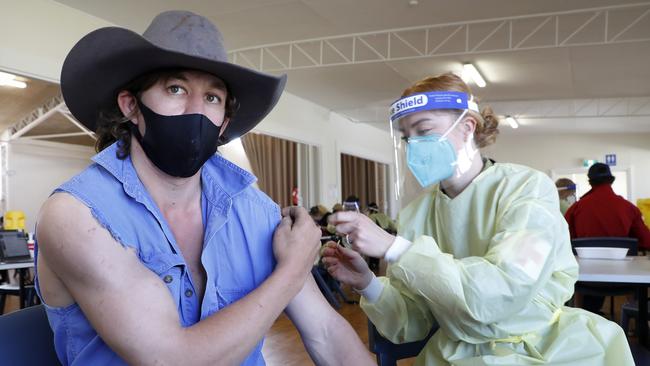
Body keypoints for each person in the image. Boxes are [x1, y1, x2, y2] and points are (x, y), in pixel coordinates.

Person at [34, 11, 372, 366]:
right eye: (175, 89)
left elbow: (327, 333)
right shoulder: (76, 216)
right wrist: (294, 269)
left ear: (225, 121)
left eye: (212, 97)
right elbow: (172, 360)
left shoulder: (253, 211)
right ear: (131, 105)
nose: (195, 110)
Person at [322, 73, 633, 365]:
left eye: (424, 131)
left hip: (545, 349)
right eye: (406, 137)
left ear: (467, 126)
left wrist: (396, 249)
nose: (413, 146)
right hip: (454, 354)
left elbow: (503, 289)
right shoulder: (416, 215)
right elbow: (415, 321)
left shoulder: (528, 191)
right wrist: (367, 283)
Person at [565, 162, 650, 314]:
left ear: (590, 182)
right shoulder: (628, 208)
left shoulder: (575, 209)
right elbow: (646, 241)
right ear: (611, 181)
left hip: (586, 281)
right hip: (625, 280)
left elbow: (564, 242)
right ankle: (634, 321)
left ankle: (584, 315)